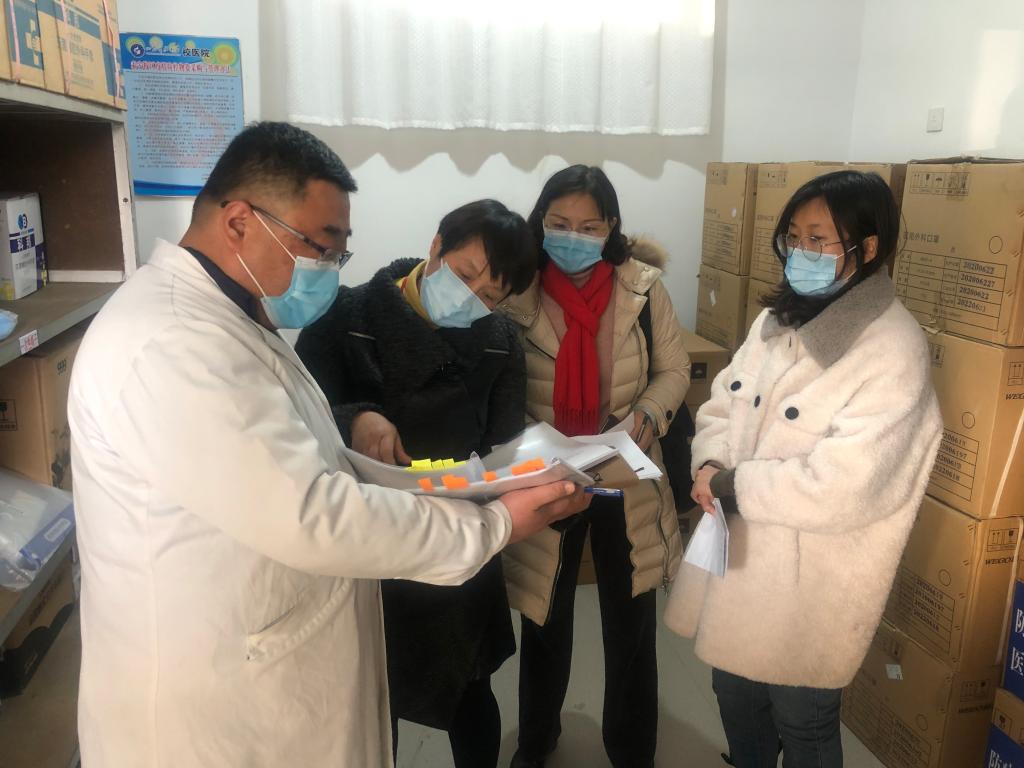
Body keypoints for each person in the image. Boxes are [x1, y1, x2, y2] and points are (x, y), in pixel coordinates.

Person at [68, 122, 589, 768]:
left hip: (358, 581)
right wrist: (491, 525)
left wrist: (485, 488)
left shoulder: (232, 320)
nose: (328, 269)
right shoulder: (172, 343)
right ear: (239, 222)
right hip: (212, 709)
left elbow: (312, 464)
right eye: (320, 246)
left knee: (465, 696)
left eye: (340, 254)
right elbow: (312, 513)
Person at [664, 170, 943, 768]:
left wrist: (732, 484)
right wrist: (709, 460)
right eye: (794, 236)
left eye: (819, 239)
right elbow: (721, 402)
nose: (800, 252)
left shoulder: (892, 348)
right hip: (740, 559)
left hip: (810, 584)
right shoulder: (777, 321)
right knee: (736, 699)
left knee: (804, 722)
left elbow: (848, 485)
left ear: (868, 247)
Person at [295, 199, 537, 767]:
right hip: (364, 540)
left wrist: (508, 478)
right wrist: (355, 417)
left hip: (457, 533)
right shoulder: (345, 315)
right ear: (435, 247)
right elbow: (297, 413)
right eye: (465, 274)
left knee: (469, 688)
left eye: (491, 294)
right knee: (371, 693)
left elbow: (503, 443)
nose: (472, 298)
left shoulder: (499, 340)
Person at [500, 165, 691, 768]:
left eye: (588, 226)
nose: (573, 237)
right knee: (545, 617)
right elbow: (497, 378)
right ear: (540, 222)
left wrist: (648, 416)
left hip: (624, 473)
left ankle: (632, 751)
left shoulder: (642, 288)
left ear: (610, 227)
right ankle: (536, 743)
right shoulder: (517, 286)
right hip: (547, 477)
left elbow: (674, 370)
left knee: (630, 624)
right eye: (559, 224)